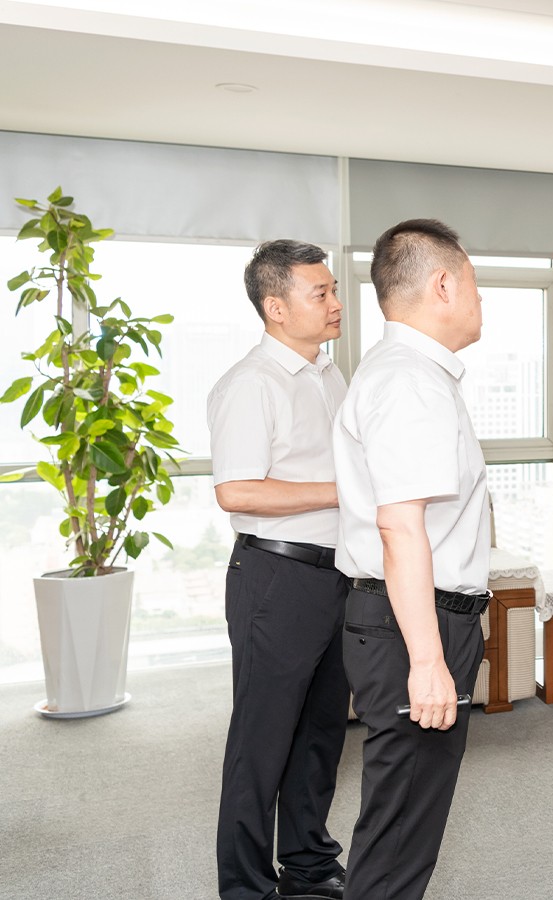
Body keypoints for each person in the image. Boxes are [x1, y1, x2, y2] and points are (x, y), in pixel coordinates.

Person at [332, 219, 489, 900]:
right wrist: (427, 661)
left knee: (404, 819)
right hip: (413, 626)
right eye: (475, 283)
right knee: (399, 832)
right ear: (444, 284)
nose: (481, 300)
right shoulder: (409, 381)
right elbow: (399, 527)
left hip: (410, 617)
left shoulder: (410, 373)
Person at [210, 240, 349, 900]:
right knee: (261, 743)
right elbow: (237, 491)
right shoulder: (252, 384)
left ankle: (308, 864)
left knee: (321, 732)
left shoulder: (328, 374)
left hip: (336, 575)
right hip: (276, 578)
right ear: (276, 307)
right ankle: (244, 888)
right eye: (320, 293)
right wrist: (345, 491)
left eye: (333, 289)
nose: (335, 303)